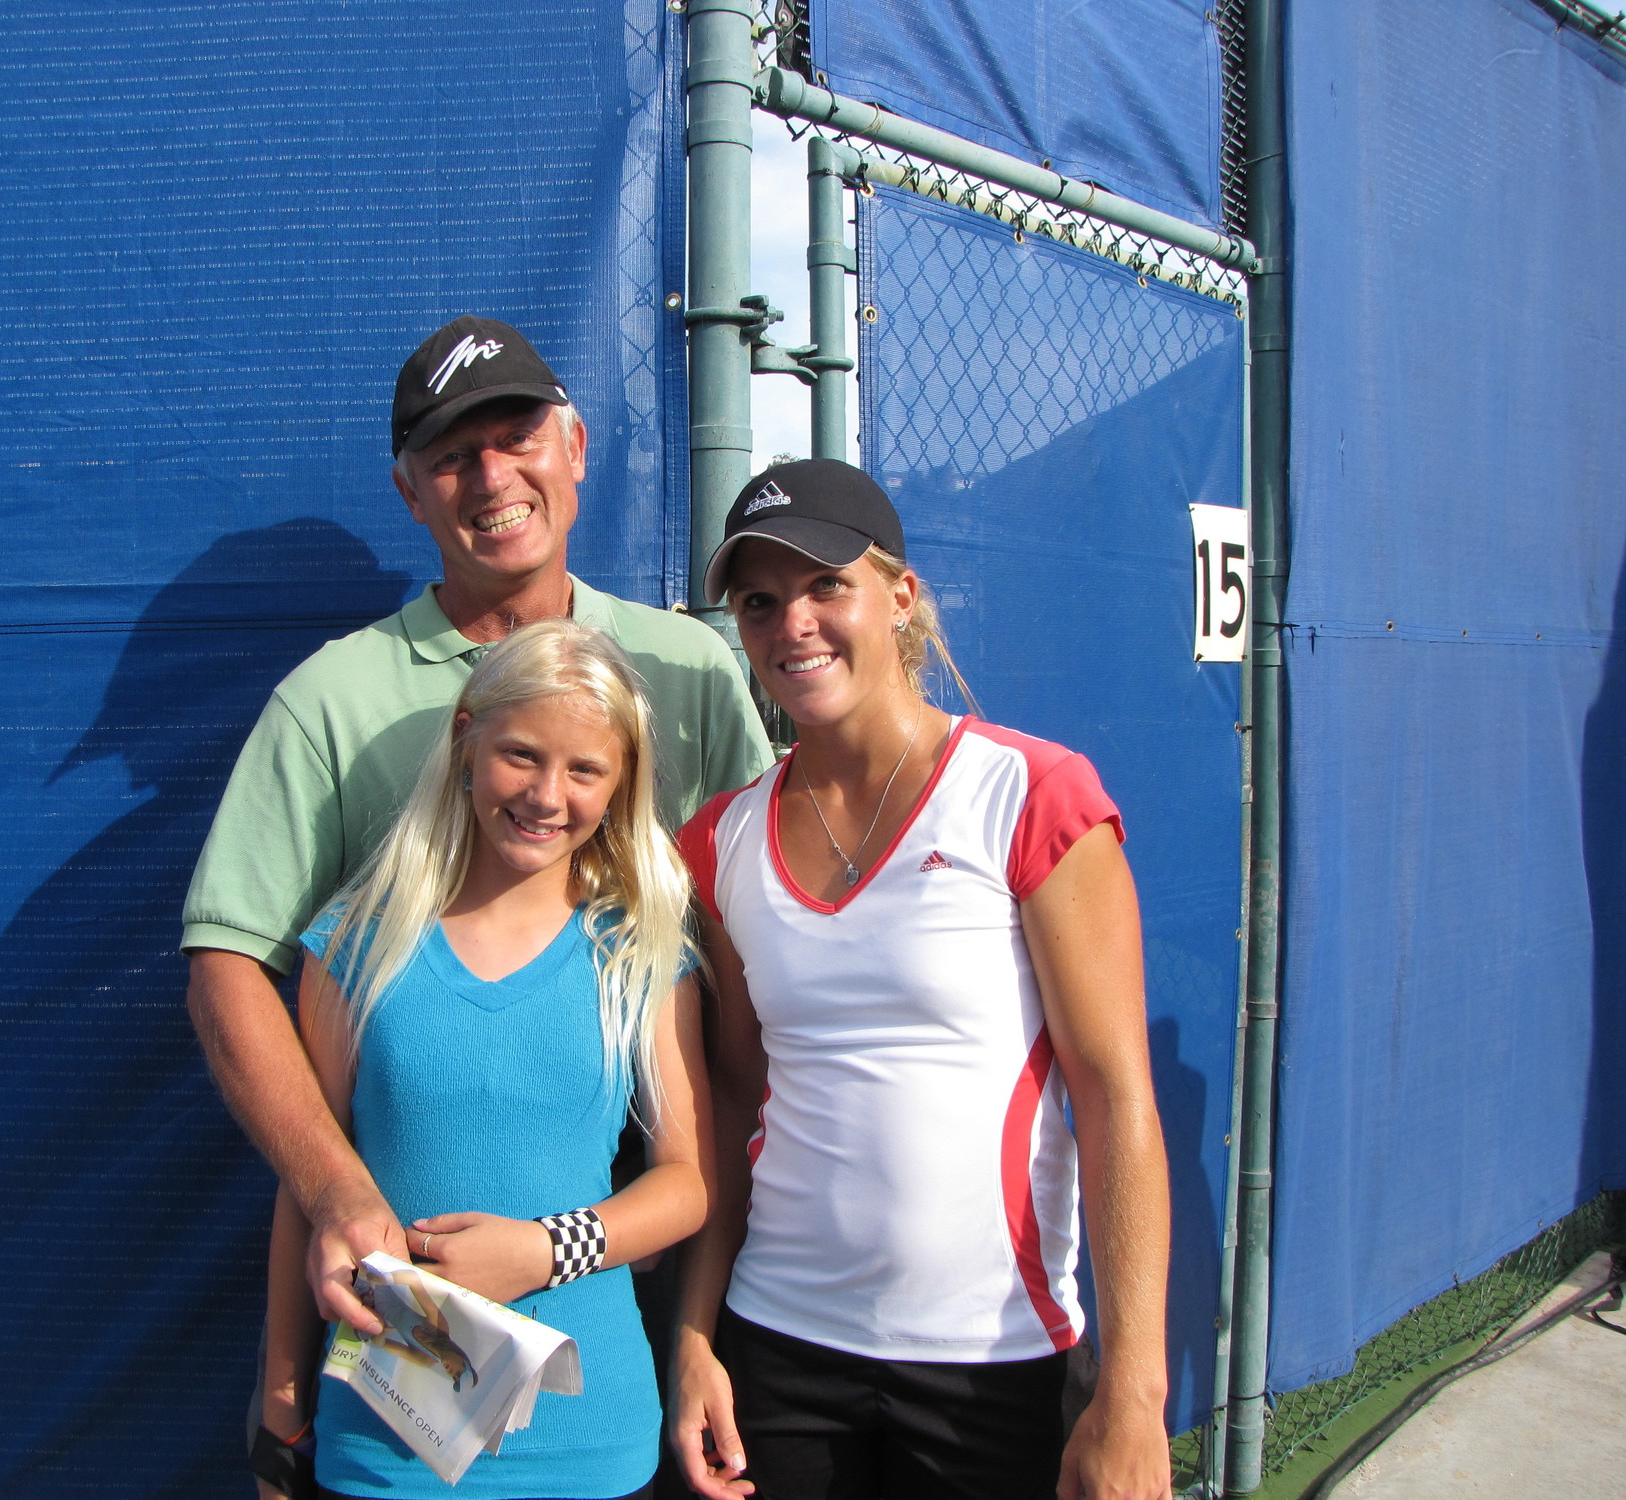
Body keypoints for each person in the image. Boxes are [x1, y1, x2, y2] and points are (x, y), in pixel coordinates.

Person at [181, 317, 770, 1477]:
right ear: (408, 490)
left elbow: (737, 1022)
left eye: (517, 437)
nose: (493, 477)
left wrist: (694, 1329)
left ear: (577, 445)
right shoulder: (332, 707)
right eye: (454, 456)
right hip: (400, 1387)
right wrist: (332, 1208)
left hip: (624, 1335)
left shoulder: (691, 673)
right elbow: (227, 967)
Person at [667, 461, 1172, 1500]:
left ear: (897, 598)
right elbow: (728, 1095)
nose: (792, 624)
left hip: (992, 1366)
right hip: (777, 1348)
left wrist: (1131, 1395)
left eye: (822, 587)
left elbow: (1114, 1094)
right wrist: (694, 1331)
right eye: (759, 602)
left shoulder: (1031, 794)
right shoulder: (717, 841)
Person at [261, 619, 714, 1500]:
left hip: (593, 1443)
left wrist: (548, 1249)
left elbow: (687, 1184)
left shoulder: (641, 952)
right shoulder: (357, 944)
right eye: (522, 755)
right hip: (386, 1438)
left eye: (585, 771)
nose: (548, 795)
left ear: (621, 787)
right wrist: (280, 1391)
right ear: (467, 737)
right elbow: (307, 1178)